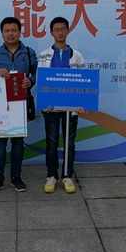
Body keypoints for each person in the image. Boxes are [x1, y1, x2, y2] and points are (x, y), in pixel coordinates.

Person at [0, 16, 37, 195]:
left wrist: (31, 81)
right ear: (2, 33)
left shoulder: (28, 52)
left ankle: (16, 177)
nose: (10, 34)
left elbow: (37, 73)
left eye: (14, 30)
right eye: (7, 31)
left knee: (18, 143)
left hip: (20, 104)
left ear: (20, 32)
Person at [38, 16, 86, 194]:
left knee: (69, 144)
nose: (60, 32)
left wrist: (81, 104)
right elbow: (41, 80)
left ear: (68, 30)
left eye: (63, 29)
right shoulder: (44, 55)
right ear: (51, 33)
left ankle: (67, 176)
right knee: (51, 144)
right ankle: (51, 176)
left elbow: (83, 81)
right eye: (56, 30)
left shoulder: (77, 55)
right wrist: (43, 103)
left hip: (70, 107)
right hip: (51, 107)